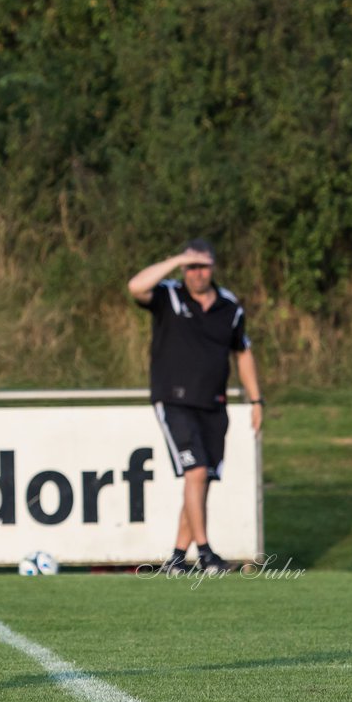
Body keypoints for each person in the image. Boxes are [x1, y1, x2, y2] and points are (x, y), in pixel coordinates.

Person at [127, 238, 263, 575]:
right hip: (174, 400)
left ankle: (176, 559)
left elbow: (242, 351)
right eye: (191, 266)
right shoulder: (169, 294)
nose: (196, 273)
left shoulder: (229, 306)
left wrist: (256, 399)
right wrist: (176, 258)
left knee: (201, 480)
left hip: (213, 404)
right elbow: (135, 287)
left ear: (212, 267)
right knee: (196, 472)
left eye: (202, 266)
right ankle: (205, 554)